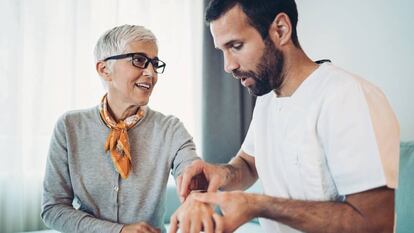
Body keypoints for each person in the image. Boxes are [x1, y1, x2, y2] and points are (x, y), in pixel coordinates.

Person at [170, 0, 400, 233]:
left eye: (236, 46)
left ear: (280, 29)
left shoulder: (348, 97)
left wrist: (258, 205)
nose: (228, 66)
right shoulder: (267, 98)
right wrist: (221, 173)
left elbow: (374, 224)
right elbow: (249, 164)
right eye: (223, 51)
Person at [41, 24, 200, 233]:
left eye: (154, 63)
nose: (151, 73)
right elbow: (53, 209)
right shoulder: (69, 127)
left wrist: (197, 197)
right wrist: (119, 231)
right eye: (139, 60)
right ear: (104, 69)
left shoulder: (170, 129)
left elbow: (193, 172)